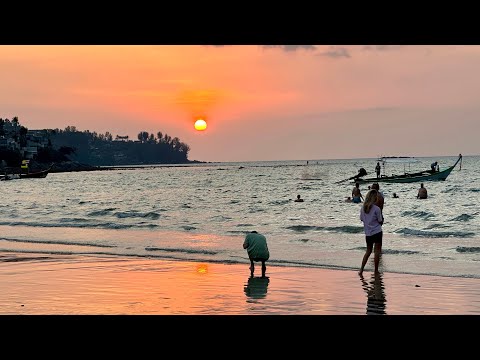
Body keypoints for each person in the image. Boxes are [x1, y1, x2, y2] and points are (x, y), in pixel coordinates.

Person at [359, 189, 384, 275]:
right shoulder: (377, 209)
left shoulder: (363, 208)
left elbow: (361, 219)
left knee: (368, 251)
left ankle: (361, 269)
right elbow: (380, 221)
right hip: (377, 231)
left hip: (368, 233)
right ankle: (376, 270)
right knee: (377, 251)